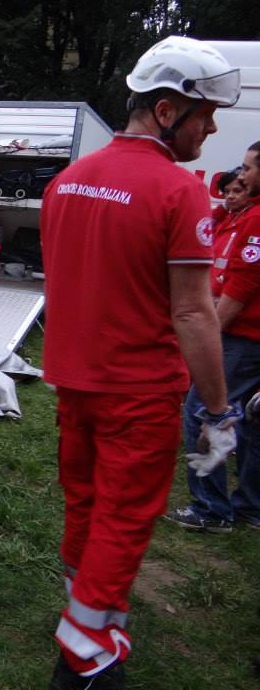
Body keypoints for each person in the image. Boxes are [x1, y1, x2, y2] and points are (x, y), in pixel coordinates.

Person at [40, 36, 241, 689]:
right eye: (204, 115)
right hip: (140, 390)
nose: (211, 131)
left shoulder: (66, 182)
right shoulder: (179, 193)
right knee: (124, 517)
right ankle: (85, 655)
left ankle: (86, 611)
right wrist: (217, 410)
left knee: (86, 503)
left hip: (73, 380)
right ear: (164, 110)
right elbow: (193, 312)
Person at [164, 145, 260, 533]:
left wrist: (203, 339)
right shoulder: (242, 216)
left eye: (250, 168)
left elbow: (242, 288)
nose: (242, 173)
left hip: (240, 337)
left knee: (203, 411)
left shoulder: (255, 222)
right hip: (244, 337)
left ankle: (210, 508)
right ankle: (249, 506)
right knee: (252, 423)